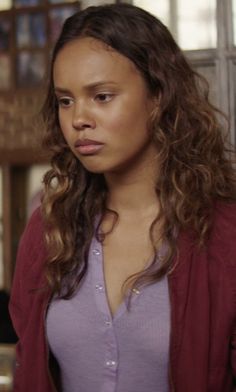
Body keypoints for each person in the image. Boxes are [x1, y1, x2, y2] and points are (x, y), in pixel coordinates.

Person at [9, 3, 236, 392]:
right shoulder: (50, 229)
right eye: (66, 100)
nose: (79, 118)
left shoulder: (223, 234)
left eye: (101, 96)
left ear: (158, 96)